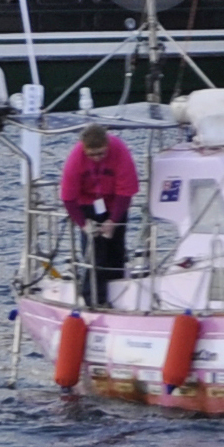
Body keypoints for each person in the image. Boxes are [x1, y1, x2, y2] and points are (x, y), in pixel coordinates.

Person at [59, 120, 139, 310]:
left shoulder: (120, 151)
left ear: (108, 145)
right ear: (84, 149)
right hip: (87, 204)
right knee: (94, 253)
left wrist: (113, 221)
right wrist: (83, 224)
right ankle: (94, 298)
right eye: (92, 154)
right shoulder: (75, 159)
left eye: (101, 153)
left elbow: (126, 190)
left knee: (116, 250)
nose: (96, 158)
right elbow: (68, 198)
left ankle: (120, 293)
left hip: (114, 202)